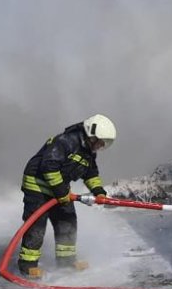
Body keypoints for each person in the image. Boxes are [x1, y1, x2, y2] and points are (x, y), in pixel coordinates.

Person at [18, 114, 116, 277]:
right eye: (99, 142)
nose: (100, 146)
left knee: (67, 220)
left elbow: (91, 173)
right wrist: (61, 192)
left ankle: (66, 262)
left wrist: (99, 191)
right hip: (38, 187)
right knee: (37, 225)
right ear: (91, 135)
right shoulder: (66, 142)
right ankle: (27, 266)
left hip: (59, 190)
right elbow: (49, 166)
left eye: (102, 144)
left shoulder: (88, 153)